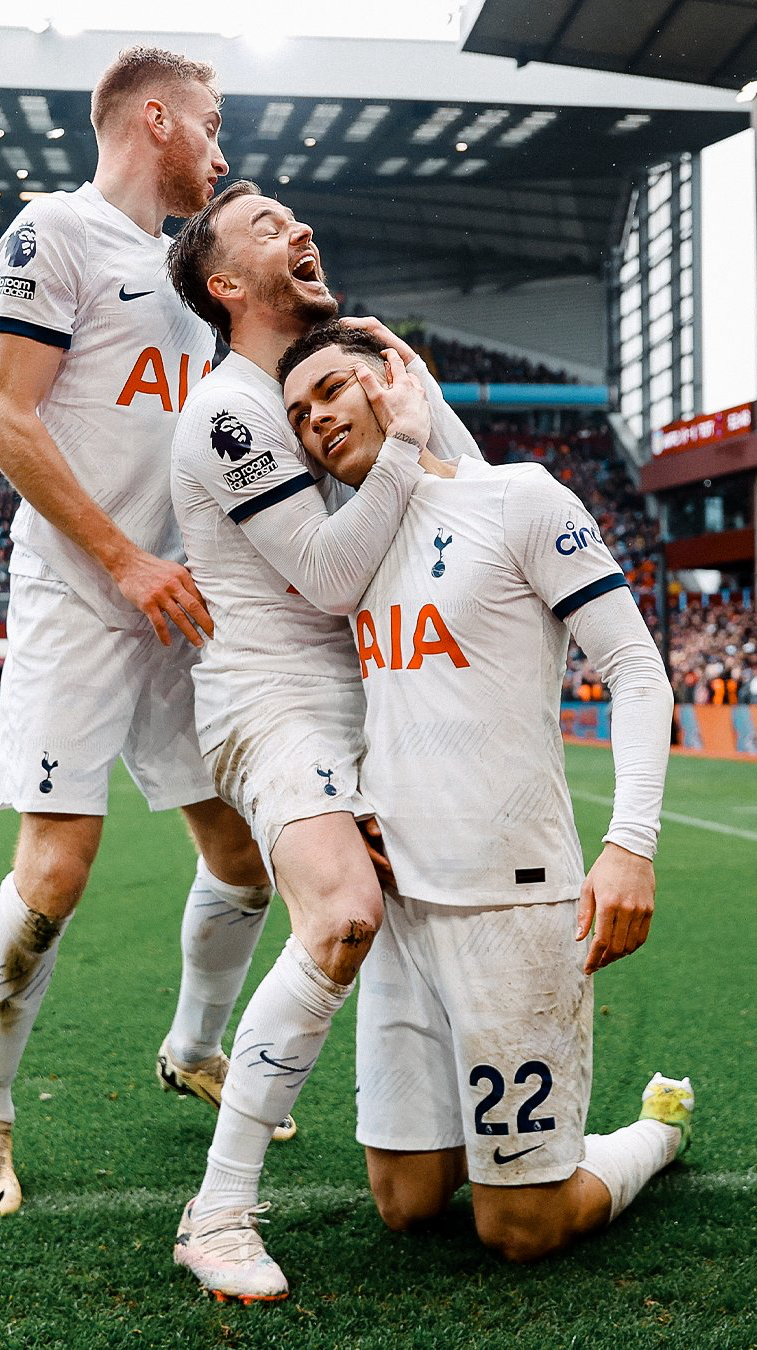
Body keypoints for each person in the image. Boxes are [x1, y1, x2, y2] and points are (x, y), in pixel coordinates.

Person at [0, 48, 283, 1221]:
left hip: (176, 603)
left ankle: (196, 1047)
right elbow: (5, 421)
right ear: (155, 118)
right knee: (54, 875)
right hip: (83, 597)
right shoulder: (55, 233)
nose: (222, 149)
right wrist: (126, 559)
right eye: (210, 123)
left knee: (245, 859)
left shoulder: (196, 273)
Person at [278, 322, 693, 1262]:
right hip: (400, 908)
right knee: (406, 1204)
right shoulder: (347, 552)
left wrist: (632, 842)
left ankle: (655, 1132)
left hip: (511, 906)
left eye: (332, 391)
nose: (317, 422)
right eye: (299, 416)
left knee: (519, 1229)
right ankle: (508, 1132)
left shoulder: (521, 499)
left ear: (392, 378)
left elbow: (635, 668)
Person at [166, 182, 480, 1299]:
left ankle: (505, 1151)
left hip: (381, 700)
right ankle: (218, 1213)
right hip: (274, 706)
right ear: (225, 285)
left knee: (423, 930)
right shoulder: (231, 410)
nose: (299, 231)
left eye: (299, 219)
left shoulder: (321, 384)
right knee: (344, 910)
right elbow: (333, 573)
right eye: (267, 228)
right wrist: (403, 436)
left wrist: (421, 408)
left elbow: (472, 503)